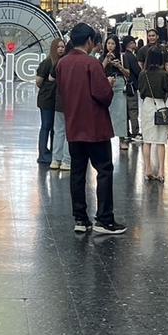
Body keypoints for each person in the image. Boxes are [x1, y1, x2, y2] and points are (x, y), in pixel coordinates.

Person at [56, 23, 126, 235]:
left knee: (77, 172)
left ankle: (80, 218)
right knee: (104, 170)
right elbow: (102, 95)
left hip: (74, 125)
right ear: (89, 40)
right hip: (95, 126)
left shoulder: (62, 64)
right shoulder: (92, 63)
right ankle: (104, 219)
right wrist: (109, 85)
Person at [138, 47, 168, 182]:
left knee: (147, 140)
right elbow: (166, 90)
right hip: (160, 105)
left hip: (147, 105)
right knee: (160, 140)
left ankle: (148, 169)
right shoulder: (163, 74)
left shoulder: (143, 74)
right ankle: (161, 171)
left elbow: (140, 91)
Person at [35, 38, 65, 166]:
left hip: (57, 100)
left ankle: (55, 152)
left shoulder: (63, 63)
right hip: (46, 99)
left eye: (63, 47)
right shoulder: (47, 63)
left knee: (55, 128)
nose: (61, 49)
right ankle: (43, 154)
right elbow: (38, 81)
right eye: (58, 47)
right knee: (46, 126)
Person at [99, 36, 132, 151]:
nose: (110, 46)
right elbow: (98, 71)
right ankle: (103, 138)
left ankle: (122, 138)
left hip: (119, 84)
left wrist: (119, 66)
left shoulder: (122, 57)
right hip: (105, 84)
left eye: (113, 44)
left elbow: (128, 73)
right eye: (108, 43)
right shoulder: (102, 57)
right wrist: (106, 60)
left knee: (121, 113)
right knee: (104, 112)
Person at [120, 35, 142, 142]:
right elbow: (137, 71)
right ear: (130, 44)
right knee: (133, 110)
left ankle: (125, 131)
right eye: (134, 42)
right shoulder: (131, 56)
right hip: (132, 87)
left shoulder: (122, 55)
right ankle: (135, 131)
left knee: (125, 110)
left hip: (125, 87)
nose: (135, 44)